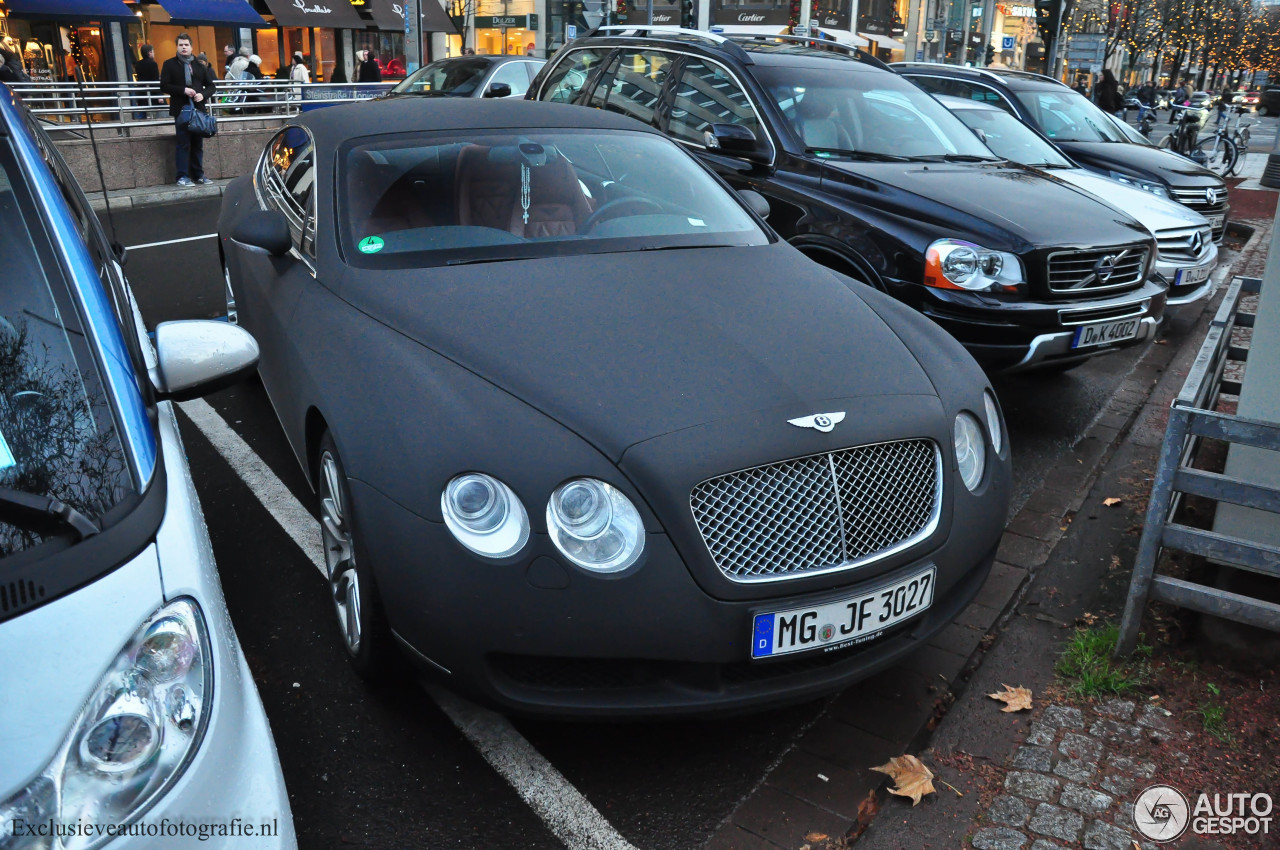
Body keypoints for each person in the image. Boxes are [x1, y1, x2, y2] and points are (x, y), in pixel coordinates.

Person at [160, 32, 216, 187]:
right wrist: (183, 90)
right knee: (183, 143)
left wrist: (202, 95)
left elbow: (212, 86)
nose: (183, 48)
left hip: (198, 109)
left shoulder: (199, 66)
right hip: (181, 109)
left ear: (191, 47)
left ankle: (198, 174)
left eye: (186, 45)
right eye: (180, 45)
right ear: (177, 47)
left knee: (198, 144)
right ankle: (182, 176)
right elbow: (164, 85)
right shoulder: (169, 64)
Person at [133, 43, 159, 119]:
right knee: (160, 111)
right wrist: (159, 94)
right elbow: (155, 79)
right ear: (149, 53)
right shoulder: (153, 64)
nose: (154, 53)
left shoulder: (138, 64)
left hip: (142, 91)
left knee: (142, 111)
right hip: (152, 91)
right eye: (153, 51)